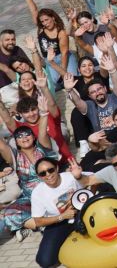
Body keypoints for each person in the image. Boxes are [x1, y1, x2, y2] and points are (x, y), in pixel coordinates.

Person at [0, 96, 57, 241]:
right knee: (9, 213)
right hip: (30, 198)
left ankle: (40, 223)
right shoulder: (15, 157)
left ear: (33, 137)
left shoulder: (43, 149)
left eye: (27, 135)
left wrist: (44, 114)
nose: (24, 138)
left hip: (52, 192)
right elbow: (2, 146)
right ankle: (41, 224)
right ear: (16, 142)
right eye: (20, 136)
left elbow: (42, 133)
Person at [0, 71, 72, 164]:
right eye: (26, 112)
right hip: (42, 169)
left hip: (67, 163)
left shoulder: (51, 118)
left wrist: (44, 88)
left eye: (33, 110)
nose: (31, 114)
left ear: (38, 108)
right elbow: (7, 120)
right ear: (20, 114)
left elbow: (52, 105)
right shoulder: (21, 128)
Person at [17, 0, 78, 85]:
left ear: (53, 18)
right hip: (49, 60)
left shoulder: (61, 32)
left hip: (63, 58)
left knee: (72, 79)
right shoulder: (41, 29)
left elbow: (64, 53)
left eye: (47, 20)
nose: (45, 23)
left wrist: (62, 71)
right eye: (42, 21)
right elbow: (34, 10)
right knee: (54, 84)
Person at [31, 157, 82, 268]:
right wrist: (62, 216)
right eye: (43, 173)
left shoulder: (70, 177)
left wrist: (80, 177)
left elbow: (94, 179)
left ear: (57, 168)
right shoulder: (37, 193)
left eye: (51, 170)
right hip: (58, 222)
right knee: (44, 261)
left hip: (79, 214)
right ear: (39, 176)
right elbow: (38, 221)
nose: (48, 175)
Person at [64, 63, 117, 133]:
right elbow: (78, 102)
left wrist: (112, 70)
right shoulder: (90, 106)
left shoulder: (115, 97)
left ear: (105, 89)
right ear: (90, 96)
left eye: (99, 89)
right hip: (104, 138)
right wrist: (70, 90)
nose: (97, 93)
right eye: (93, 92)